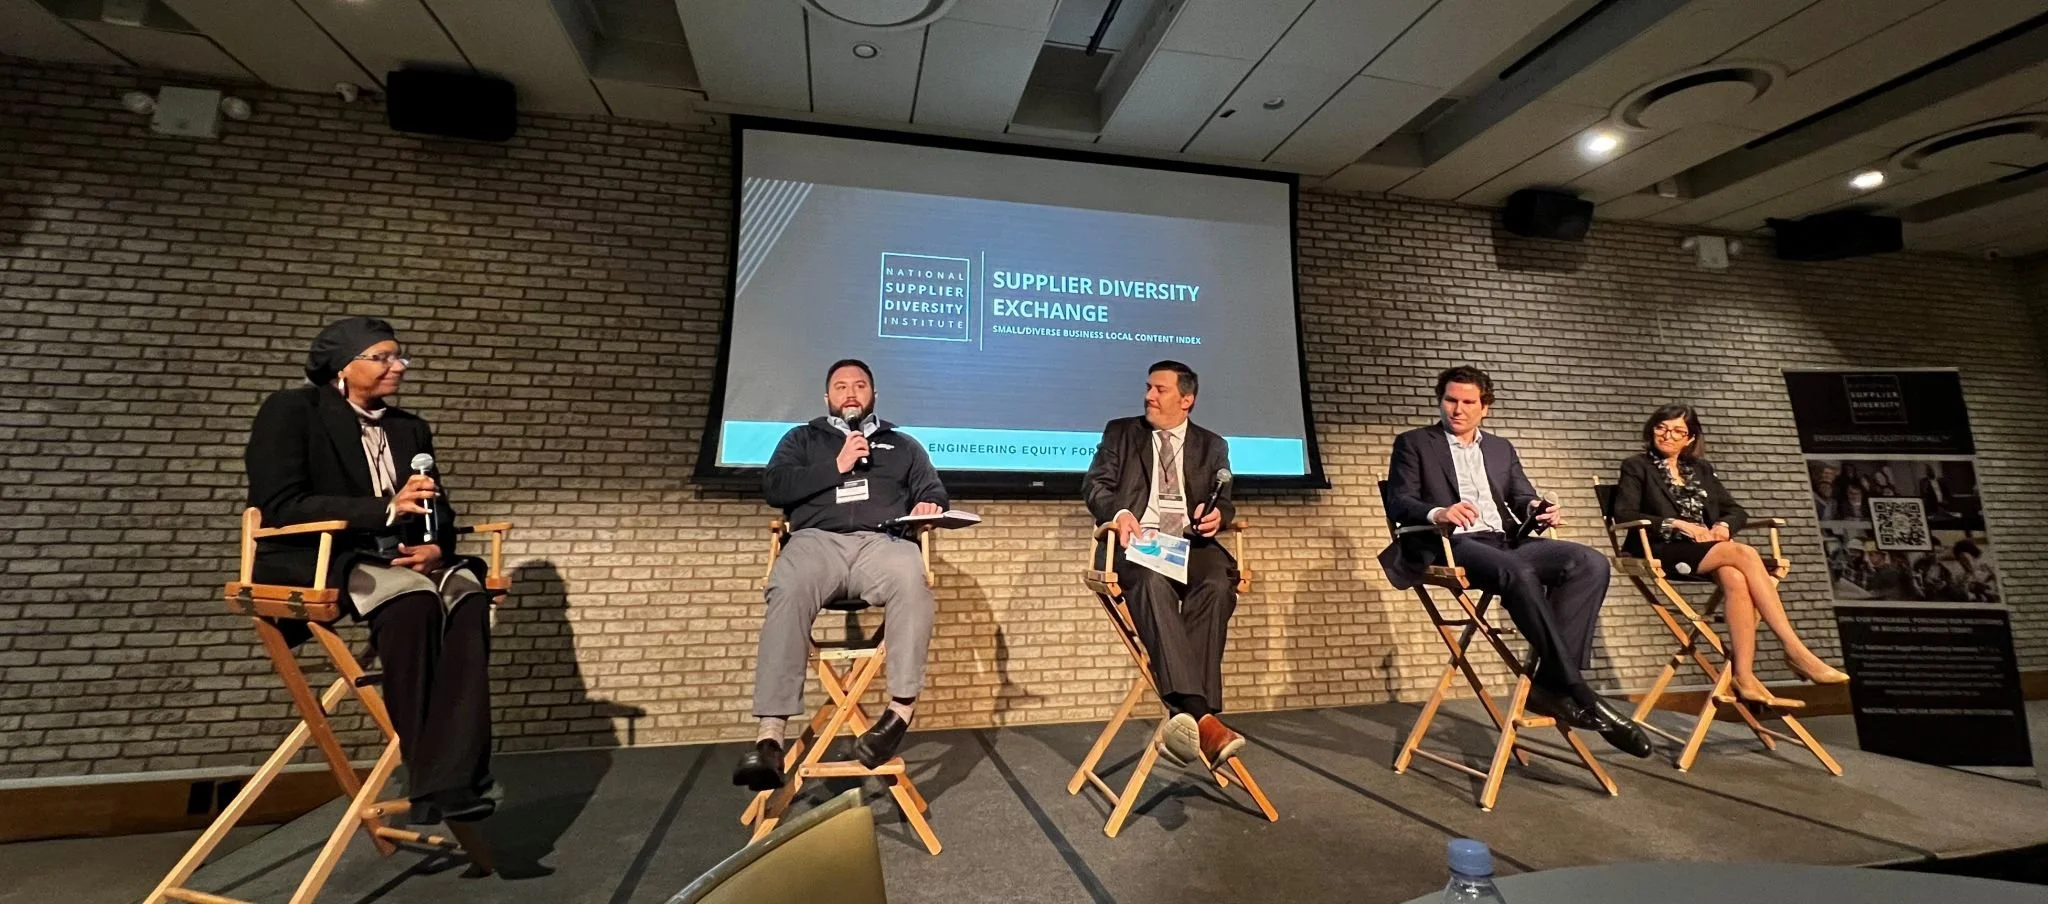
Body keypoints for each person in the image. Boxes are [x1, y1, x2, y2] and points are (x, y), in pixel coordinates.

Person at [245, 316, 496, 825]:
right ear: (343, 365)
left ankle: (452, 776)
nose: (397, 366)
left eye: (398, 357)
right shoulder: (293, 412)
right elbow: (281, 504)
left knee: (469, 596)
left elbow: (435, 508)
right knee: (413, 602)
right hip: (327, 553)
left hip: (404, 556)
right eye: (382, 357)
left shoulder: (410, 428)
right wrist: (383, 509)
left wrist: (434, 546)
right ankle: (438, 779)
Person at [1378, 367, 1651, 758]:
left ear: (1484, 407)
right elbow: (1400, 500)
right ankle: (1576, 688)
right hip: (1452, 543)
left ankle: (1549, 684)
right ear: (1441, 401)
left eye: (1468, 402)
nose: (1457, 409)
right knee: (1519, 572)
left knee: (1590, 562)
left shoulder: (1501, 448)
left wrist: (1538, 508)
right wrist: (1440, 512)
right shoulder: (1414, 443)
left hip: (1505, 541)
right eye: (1450, 400)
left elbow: (1521, 495)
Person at [733, 359, 948, 791]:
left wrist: (930, 504)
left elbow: (932, 487)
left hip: (881, 543)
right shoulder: (802, 439)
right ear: (827, 397)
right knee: (788, 585)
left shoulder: (902, 445)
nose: (850, 392)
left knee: (913, 580)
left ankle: (898, 714)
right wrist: (838, 464)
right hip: (816, 542)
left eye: (860, 385)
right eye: (840, 386)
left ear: (874, 394)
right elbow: (776, 488)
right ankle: (770, 738)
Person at [1612, 405, 1849, 707]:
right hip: (1660, 547)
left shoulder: (1701, 469)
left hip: (1706, 549)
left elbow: (1735, 510)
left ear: (1690, 438)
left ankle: (1745, 677)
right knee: (1745, 553)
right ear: (1651, 429)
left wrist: (1723, 526)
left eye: (1678, 431)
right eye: (1662, 427)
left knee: (1735, 576)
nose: (1668, 435)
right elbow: (1624, 512)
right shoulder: (1636, 465)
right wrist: (1679, 524)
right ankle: (1794, 649)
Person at [1083, 361, 1244, 767]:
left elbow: (1224, 498)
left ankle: (1186, 715)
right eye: (1148, 388)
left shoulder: (1212, 445)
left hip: (1191, 544)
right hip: (1142, 541)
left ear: (1186, 399)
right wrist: (1118, 513)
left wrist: (1219, 517)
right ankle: (1201, 717)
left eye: (1159, 389)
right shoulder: (1122, 433)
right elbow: (1095, 485)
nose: (1148, 396)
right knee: (1151, 582)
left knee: (1218, 585)